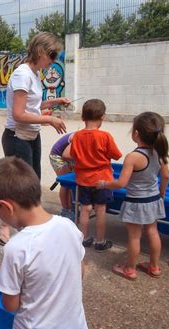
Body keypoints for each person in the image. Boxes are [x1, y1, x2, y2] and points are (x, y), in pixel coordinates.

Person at [0, 157, 88, 329]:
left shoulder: (16, 248)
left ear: (6, 206)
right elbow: (80, 271)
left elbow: (10, 304)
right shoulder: (68, 226)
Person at [0, 31, 70, 245]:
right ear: (41, 51)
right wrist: (50, 121)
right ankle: (6, 224)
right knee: (18, 183)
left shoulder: (34, 74)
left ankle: (28, 222)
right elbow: (18, 114)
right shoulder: (23, 74)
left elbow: (33, 106)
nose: (54, 60)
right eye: (53, 55)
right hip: (16, 136)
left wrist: (56, 102)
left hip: (30, 134)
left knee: (32, 181)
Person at [96, 112, 169, 280]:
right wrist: (161, 194)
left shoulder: (133, 157)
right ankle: (154, 267)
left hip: (136, 202)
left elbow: (121, 183)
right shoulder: (160, 153)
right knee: (153, 232)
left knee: (134, 236)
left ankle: (130, 269)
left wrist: (104, 184)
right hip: (154, 199)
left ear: (136, 134)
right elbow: (165, 177)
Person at [71, 99, 122, 252]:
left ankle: (85, 239)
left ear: (82, 118)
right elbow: (117, 155)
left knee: (85, 209)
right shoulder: (105, 136)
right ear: (102, 118)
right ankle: (100, 242)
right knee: (100, 210)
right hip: (102, 180)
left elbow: (73, 155)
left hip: (83, 180)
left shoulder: (77, 136)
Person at [49, 132, 75, 219]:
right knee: (66, 183)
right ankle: (66, 210)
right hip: (58, 156)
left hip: (69, 157)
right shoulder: (78, 138)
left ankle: (71, 207)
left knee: (72, 184)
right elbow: (65, 155)